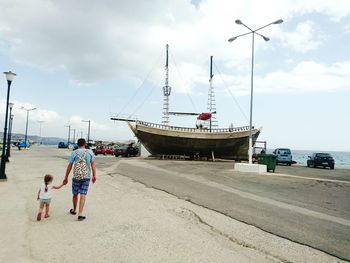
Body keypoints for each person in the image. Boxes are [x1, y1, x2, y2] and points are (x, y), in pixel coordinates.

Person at [63, 138, 96, 221]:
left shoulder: (74, 152)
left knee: (75, 194)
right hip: (86, 177)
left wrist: (66, 177)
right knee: (83, 194)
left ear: (77, 144)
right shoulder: (90, 152)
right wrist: (94, 175)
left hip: (76, 177)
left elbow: (70, 166)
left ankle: (74, 210)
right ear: (85, 144)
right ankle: (80, 214)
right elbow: (93, 165)